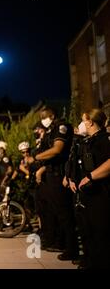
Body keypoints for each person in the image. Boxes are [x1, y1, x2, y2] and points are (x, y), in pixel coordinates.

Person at [34, 106, 79, 260]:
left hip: (60, 175)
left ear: (52, 116)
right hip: (51, 175)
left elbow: (57, 149)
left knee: (65, 214)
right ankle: (62, 243)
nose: (42, 120)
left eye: (44, 116)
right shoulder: (50, 131)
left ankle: (72, 248)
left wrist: (38, 157)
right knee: (57, 213)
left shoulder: (61, 127)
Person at [72, 109, 110, 268]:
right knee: (88, 231)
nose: (82, 124)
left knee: (101, 233)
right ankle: (90, 261)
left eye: (83, 120)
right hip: (87, 195)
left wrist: (90, 176)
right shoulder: (88, 141)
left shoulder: (104, 139)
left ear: (91, 122)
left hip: (101, 194)